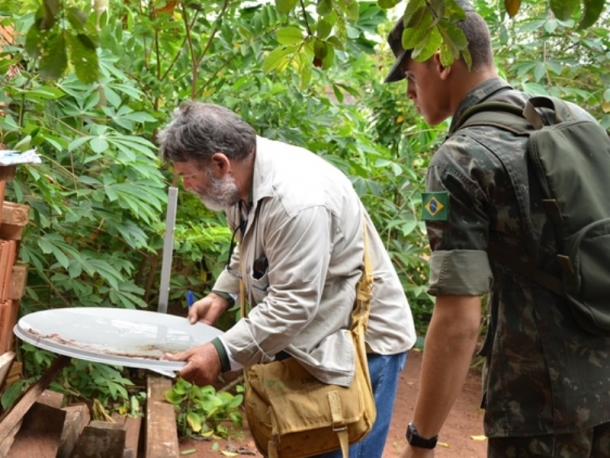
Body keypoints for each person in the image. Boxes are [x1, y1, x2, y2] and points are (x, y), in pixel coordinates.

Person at [383, 2, 610, 457]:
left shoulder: (460, 159)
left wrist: (421, 441)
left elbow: (458, 322)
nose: (410, 92)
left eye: (410, 77)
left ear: (442, 63)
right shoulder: (572, 119)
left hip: (541, 412)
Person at [158, 101, 417, 457]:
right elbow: (251, 247)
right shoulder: (241, 180)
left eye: (188, 175)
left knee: (337, 450)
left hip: (361, 347)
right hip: (315, 335)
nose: (187, 185)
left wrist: (219, 353)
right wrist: (223, 295)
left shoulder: (297, 201)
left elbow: (292, 304)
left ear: (220, 163)